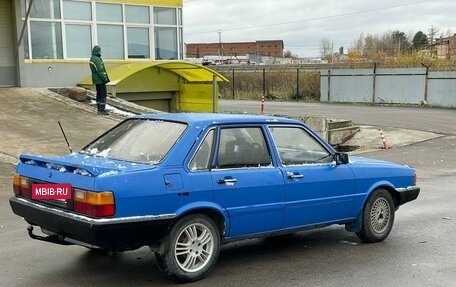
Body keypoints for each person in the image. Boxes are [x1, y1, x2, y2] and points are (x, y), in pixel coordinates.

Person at [89, 45, 110, 115]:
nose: (101, 52)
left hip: (96, 80)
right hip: (100, 80)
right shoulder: (97, 59)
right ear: (97, 51)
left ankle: (99, 108)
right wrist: (105, 78)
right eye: (100, 51)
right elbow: (100, 70)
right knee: (103, 94)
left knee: (99, 93)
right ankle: (101, 110)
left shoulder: (92, 58)